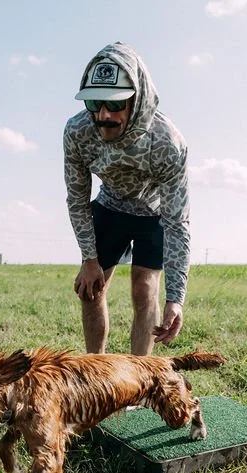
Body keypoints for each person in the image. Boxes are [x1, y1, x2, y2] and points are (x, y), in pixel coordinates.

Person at [64, 42, 191, 355]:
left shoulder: (167, 143)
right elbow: (78, 199)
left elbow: (177, 223)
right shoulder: (77, 132)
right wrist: (89, 260)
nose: (104, 115)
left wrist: (176, 298)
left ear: (137, 100)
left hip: (153, 213)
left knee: (144, 289)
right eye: (95, 102)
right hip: (109, 207)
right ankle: (96, 374)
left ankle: (138, 381)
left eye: (116, 104)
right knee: (91, 290)